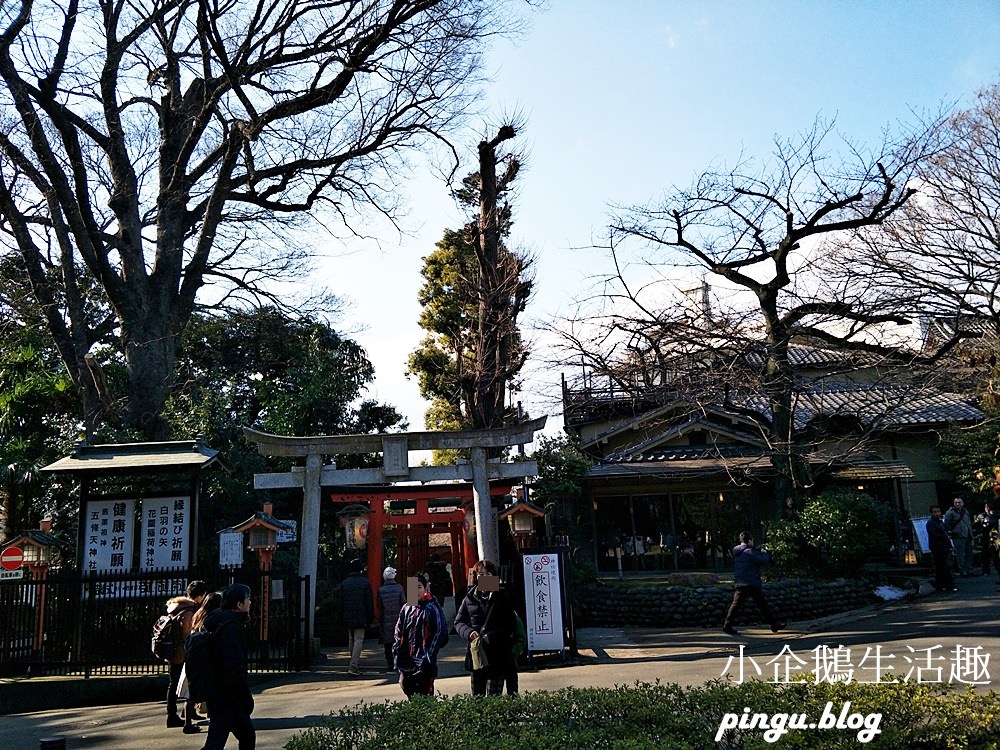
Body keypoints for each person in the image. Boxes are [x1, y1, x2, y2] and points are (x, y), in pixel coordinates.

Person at [200, 583, 255, 750]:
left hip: (218, 691)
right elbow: (233, 665)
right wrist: (243, 694)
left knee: (244, 735)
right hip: (228, 694)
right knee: (217, 742)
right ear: (238, 605)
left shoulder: (217, 620)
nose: (250, 602)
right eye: (247, 599)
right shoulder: (231, 626)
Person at [454, 559, 517, 696]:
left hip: (498, 654)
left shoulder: (502, 597)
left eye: (488, 574)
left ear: (494, 577)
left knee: (494, 697)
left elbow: (511, 624)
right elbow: (458, 622)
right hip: (477, 654)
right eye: (481, 575)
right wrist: (469, 632)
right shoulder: (469, 598)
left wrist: (494, 635)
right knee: (478, 697)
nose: (484, 578)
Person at [392, 572, 448, 698]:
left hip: (425, 662)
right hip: (407, 661)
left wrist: (428, 656)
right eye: (412, 588)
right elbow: (398, 633)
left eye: (418, 587)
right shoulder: (406, 608)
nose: (416, 591)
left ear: (425, 589)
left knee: (425, 696)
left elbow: (440, 633)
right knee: (408, 690)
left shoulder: (432, 607)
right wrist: (397, 653)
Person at [722, 532, 785, 636]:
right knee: (763, 604)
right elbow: (762, 561)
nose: (753, 542)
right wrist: (765, 553)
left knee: (735, 605)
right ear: (749, 540)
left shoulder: (737, 551)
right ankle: (774, 624)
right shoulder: (749, 552)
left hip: (740, 581)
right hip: (751, 582)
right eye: (752, 540)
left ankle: (727, 626)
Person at [164, 579, 206, 732]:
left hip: (173, 651)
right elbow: (187, 633)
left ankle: (183, 713)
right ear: (200, 596)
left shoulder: (176, 607)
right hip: (182, 653)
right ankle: (172, 716)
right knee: (180, 684)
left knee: (175, 683)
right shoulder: (188, 610)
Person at [341, 558, 374, 676]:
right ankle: (353, 665)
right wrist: (370, 617)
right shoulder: (365, 583)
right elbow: (369, 602)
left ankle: (354, 662)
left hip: (348, 614)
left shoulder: (345, 583)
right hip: (361, 615)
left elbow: (340, 602)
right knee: (358, 640)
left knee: (351, 640)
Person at [377, 567, 406, 672]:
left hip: (385, 619)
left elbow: (379, 605)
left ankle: (390, 663)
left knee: (388, 644)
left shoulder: (380, 590)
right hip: (398, 618)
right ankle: (398, 662)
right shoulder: (399, 588)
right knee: (398, 641)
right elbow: (403, 601)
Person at [927, 505, 957, 593]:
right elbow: (933, 535)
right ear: (932, 513)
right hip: (937, 547)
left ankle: (940, 585)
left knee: (940, 568)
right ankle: (948, 585)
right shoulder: (931, 523)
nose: (937, 513)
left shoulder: (940, 521)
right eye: (935, 512)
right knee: (944, 567)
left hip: (943, 547)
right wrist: (944, 536)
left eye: (938, 511)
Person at [944, 497, 976, 576]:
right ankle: (963, 570)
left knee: (969, 554)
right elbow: (947, 524)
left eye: (959, 502)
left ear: (962, 503)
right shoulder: (950, 513)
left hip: (967, 535)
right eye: (956, 502)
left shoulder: (965, 511)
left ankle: (969, 570)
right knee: (960, 554)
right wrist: (951, 533)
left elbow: (968, 522)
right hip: (958, 536)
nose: (957, 504)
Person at [973, 501, 999, 576]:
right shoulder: (982, 516)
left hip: (995, 538)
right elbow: (976, 525)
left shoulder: (996, 515)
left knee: (995, 555)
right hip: (985, 537)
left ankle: (992, 569)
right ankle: (986, 570)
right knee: (985, 554)